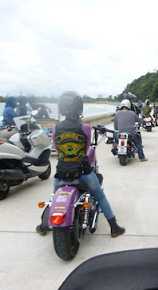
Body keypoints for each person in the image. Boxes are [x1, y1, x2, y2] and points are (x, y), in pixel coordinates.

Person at [37, 91, 125, 237]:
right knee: (100, 196)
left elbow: (57, 150)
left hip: (61, 172)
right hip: (83, 172)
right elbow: (86, 149)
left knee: (53, 197)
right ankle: (114, 227)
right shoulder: (85, 128)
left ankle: (43, 225)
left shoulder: (55, 128)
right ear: (79, 108)